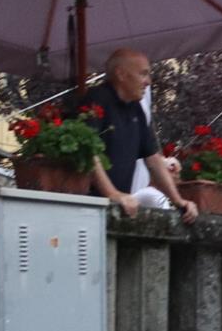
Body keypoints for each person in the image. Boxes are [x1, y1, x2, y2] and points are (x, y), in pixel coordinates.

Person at [79, 48, 197, 222]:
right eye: (143, 74)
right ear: (121, 74)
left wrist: (178, 201)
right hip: (89, 207)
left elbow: (153, 160)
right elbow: (88, 152)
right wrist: (113, 194)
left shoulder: (135, 109)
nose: (148, 82)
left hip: (117, 207)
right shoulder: (97, 99)